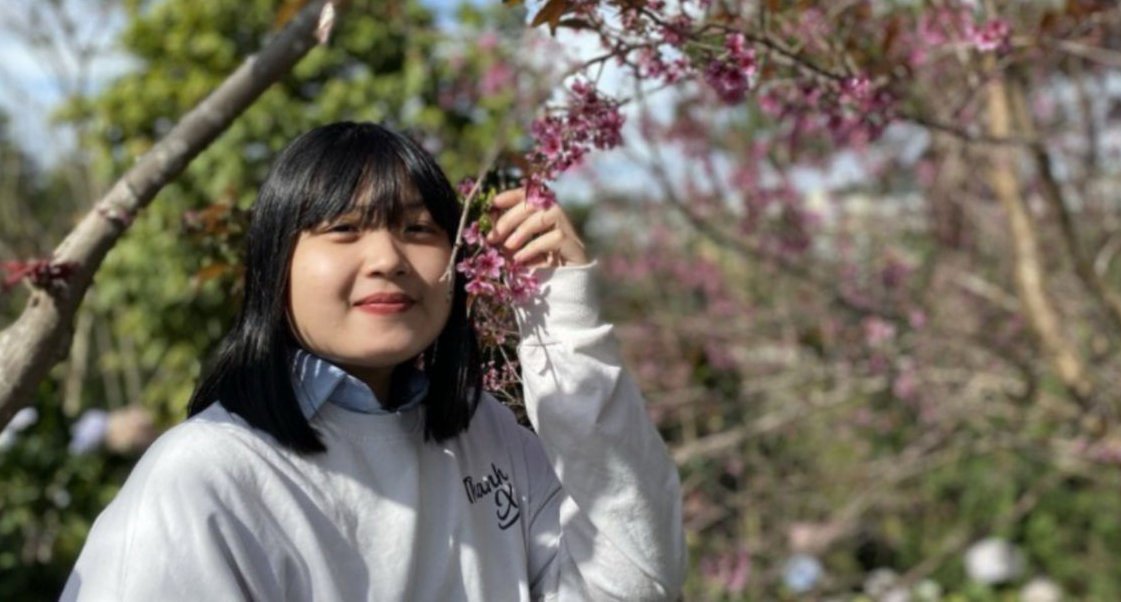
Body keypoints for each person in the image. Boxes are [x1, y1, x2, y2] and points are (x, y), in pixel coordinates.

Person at [60, 122, 686, 601]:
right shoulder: (208, 474)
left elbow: (634, 582)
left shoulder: (486, 435)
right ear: (275, 263)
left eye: (418, 229)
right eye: (344, 229)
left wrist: (565, 317)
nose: (388, 257)